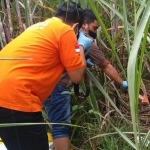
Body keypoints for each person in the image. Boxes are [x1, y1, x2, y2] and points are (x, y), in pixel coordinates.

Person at [0, 2, 93, 150]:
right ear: (76, 26)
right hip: (17, 98)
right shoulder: (66, 30)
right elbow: (76, 77)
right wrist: (79, 47)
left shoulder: (38, 27)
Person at [43, 8, 128, 150]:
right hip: (56, 88)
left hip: (44, 86)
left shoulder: (61, 34)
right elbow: (106, 65)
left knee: (54, 125)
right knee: (60, 128)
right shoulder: (85, 41)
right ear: (84, 24)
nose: (95, 32)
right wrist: (123, 83)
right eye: (94, 27)